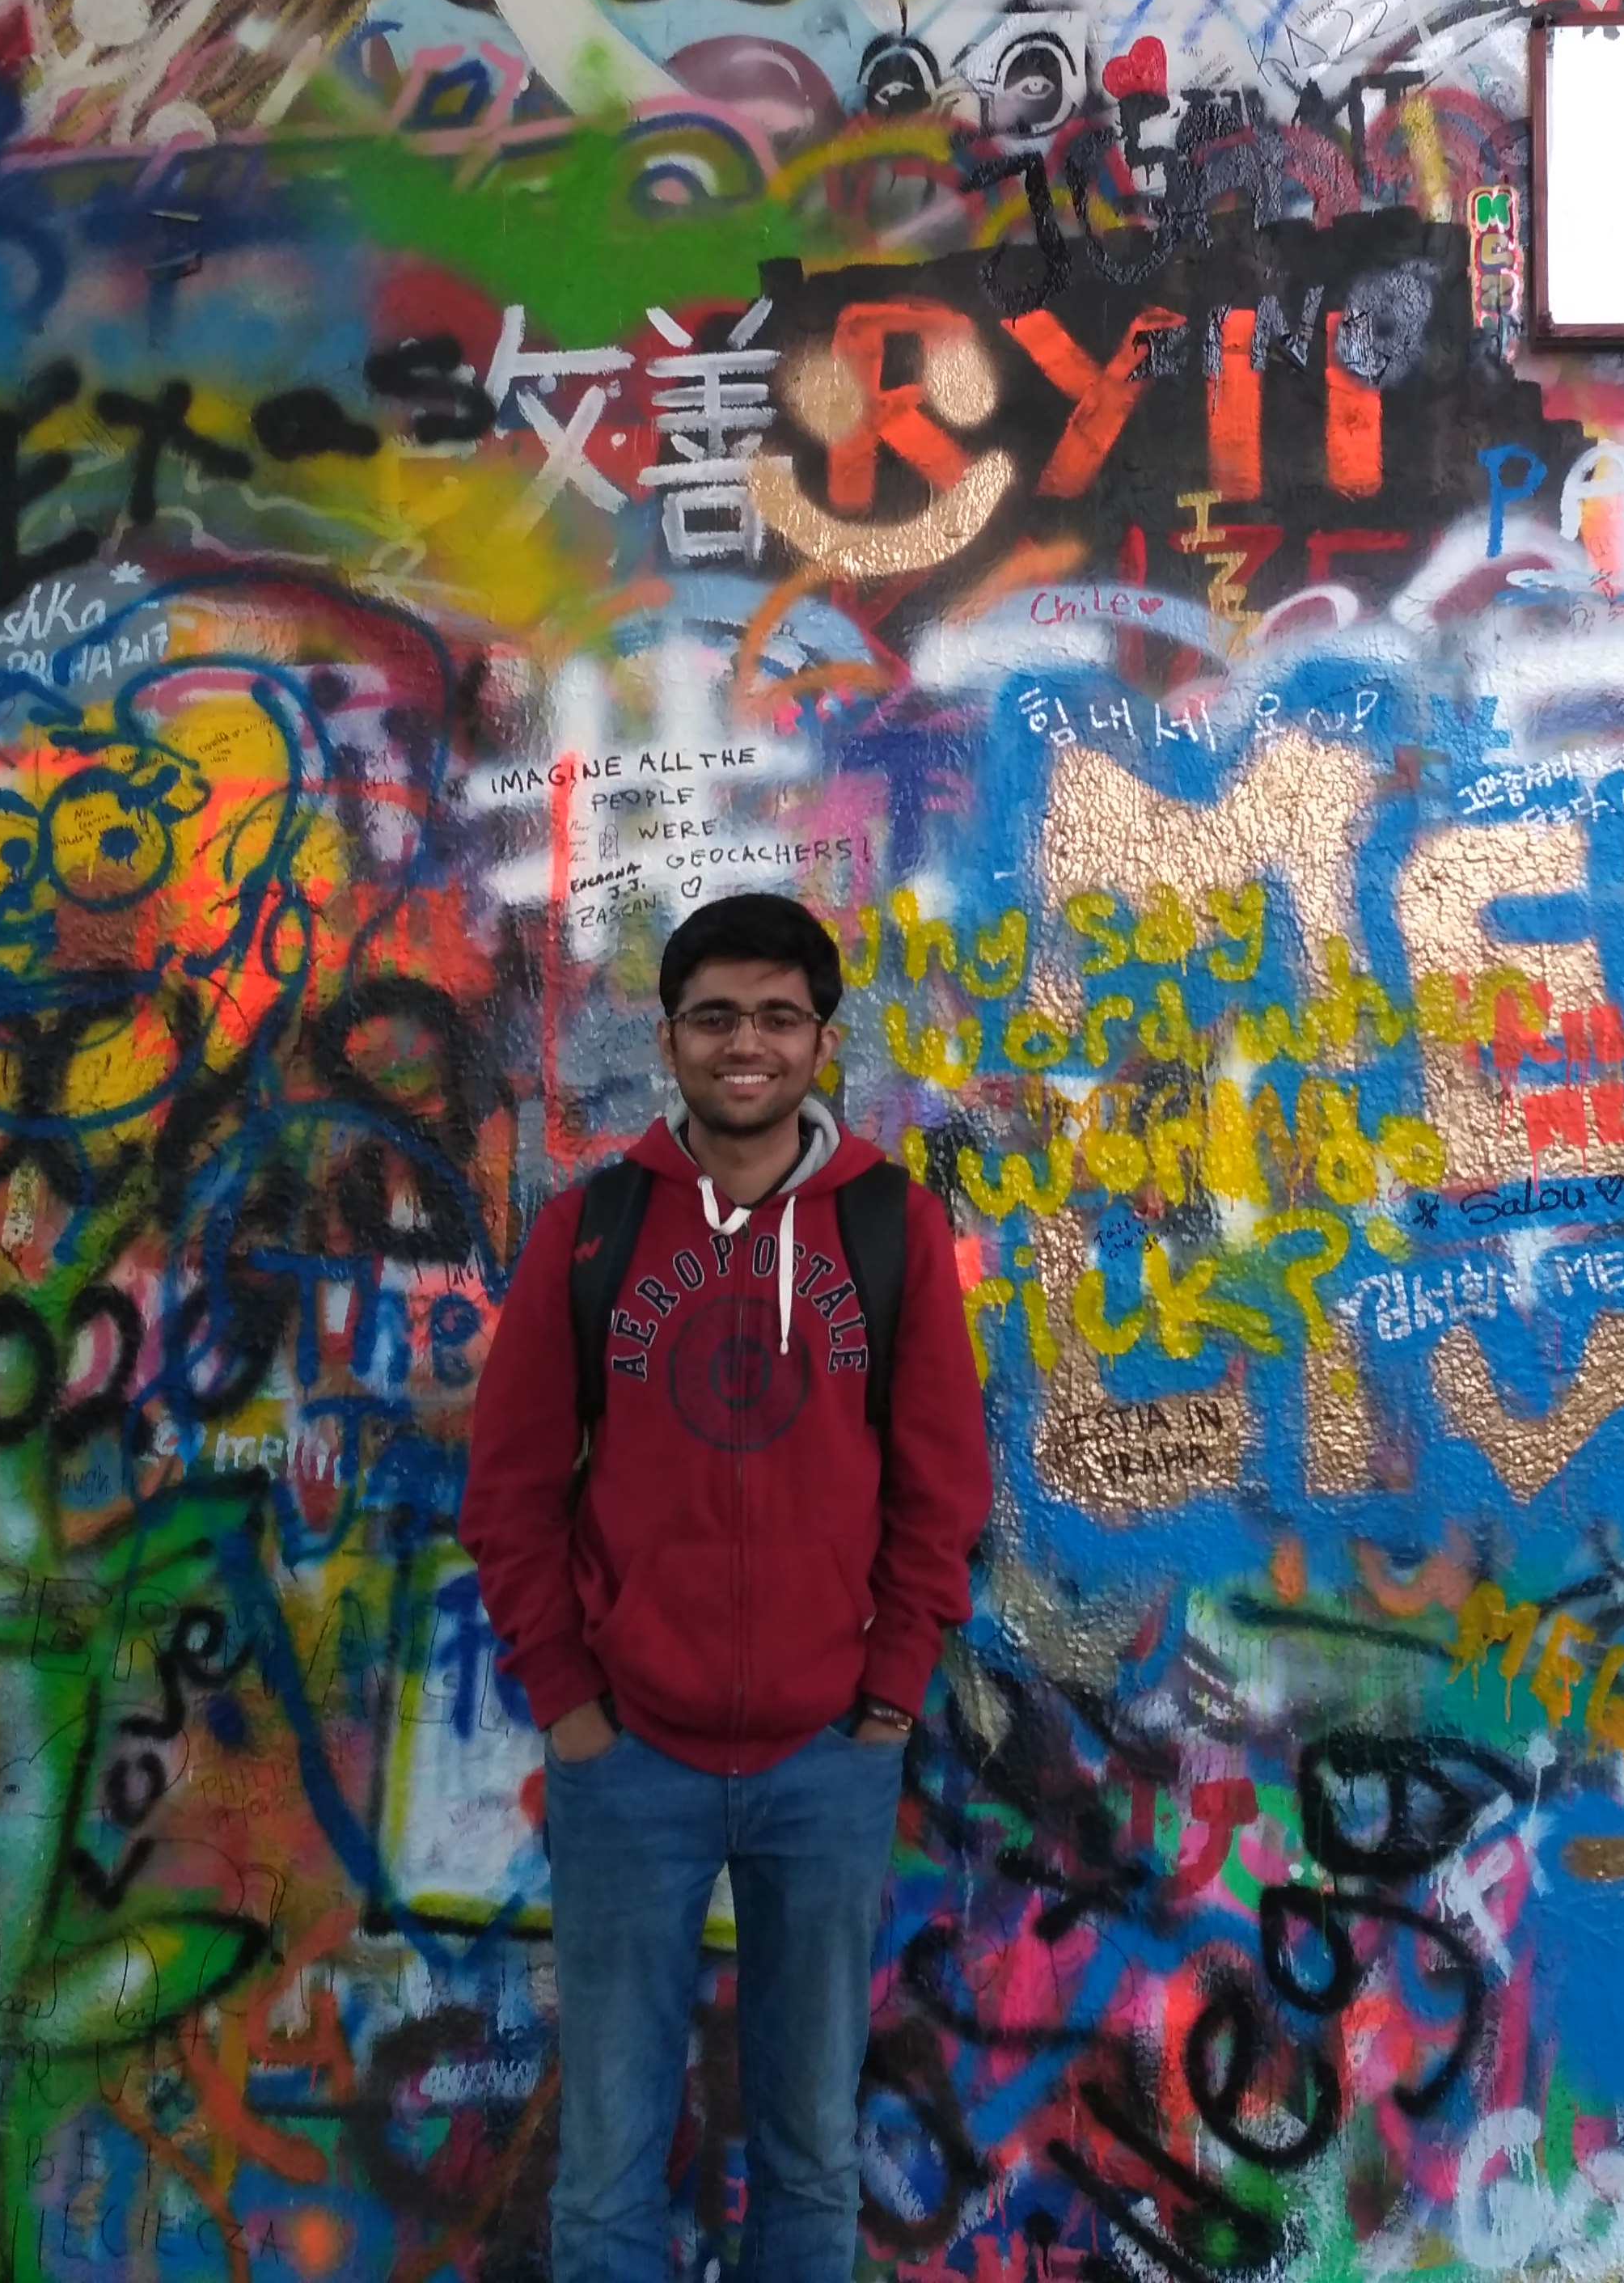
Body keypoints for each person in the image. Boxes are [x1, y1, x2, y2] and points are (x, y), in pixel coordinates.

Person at [462, 891, 990, 2283]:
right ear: (669, 1039)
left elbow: (942, 1490)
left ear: (820, 1041)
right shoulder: (591, 1229)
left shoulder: (888, 1227)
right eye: (713, 1017)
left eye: (775, 1017)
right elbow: (509, 1491)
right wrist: (571, 1704)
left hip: (828, 1760)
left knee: (810, 2158)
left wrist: (887, 1699)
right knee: (608, 2164)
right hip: (628, 1762)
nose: (744, 1044)